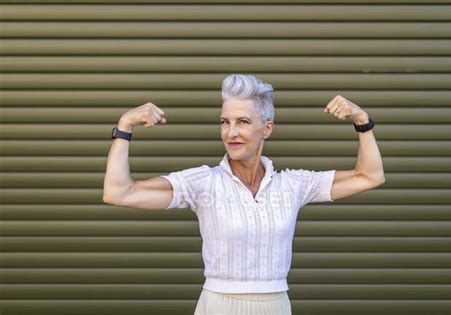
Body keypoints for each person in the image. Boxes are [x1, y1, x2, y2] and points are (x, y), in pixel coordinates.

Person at [103, 74, 385, 314]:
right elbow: (119, 193)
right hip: (218, 306)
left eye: (243, 122)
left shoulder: (292, 185)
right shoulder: (204, 183)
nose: (231, 132)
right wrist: (125, 126)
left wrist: (362, 121)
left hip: (276, 305)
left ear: (267, 129)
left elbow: (369, 176)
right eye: (225, 122)